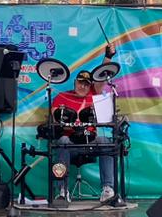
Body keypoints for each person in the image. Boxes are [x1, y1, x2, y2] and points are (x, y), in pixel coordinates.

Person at [49, 44, 118, 208]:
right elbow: (55, 117)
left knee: (106, 141)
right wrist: (70, 125)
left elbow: (102, 76)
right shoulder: (62, 96)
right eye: (80, 83)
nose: (83, 86)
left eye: (87, 84)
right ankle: (62, 191)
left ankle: (107, 189)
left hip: (90, 141)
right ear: (75, 83)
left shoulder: (94, 94)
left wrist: (108, 57)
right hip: (71, 143)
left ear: (90, 86)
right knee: (63, 140)